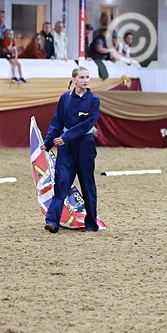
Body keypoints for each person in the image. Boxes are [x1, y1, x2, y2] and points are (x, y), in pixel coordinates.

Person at [43, 67, 100, 233]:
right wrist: (47, 143)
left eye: (87, 77)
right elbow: (56, 122)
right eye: (82, 77)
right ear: (74, 79)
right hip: (66, 148)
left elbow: (87, 124)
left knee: (87, 185)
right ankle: (52, 221)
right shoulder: (64, 98)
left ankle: (91, 223)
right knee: (61, 182)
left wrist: (66, 137)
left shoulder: (94, 100)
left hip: (85, 146)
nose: (85, 80)